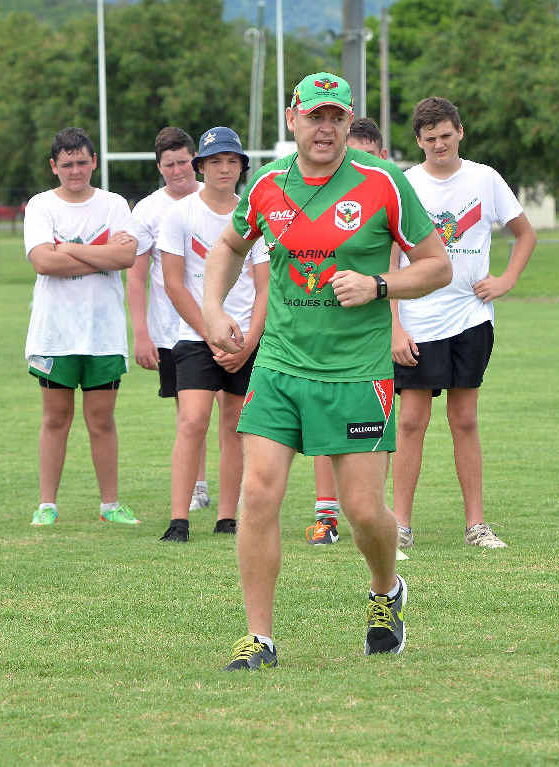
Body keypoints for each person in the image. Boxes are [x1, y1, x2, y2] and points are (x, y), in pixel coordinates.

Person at [202, 73, 452, 668]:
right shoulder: (267, 184)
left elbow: (437, 266)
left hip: (356, 371)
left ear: (348, 121)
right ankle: (259, 638)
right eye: (314, 116)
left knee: (362, 510)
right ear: (292, 119)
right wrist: (212, 307)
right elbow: (229, 247)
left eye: (336, 117)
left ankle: (386, 591)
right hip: (281, 364)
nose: (325, 127)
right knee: (258, 493)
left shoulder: (383, 182)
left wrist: (378, 285)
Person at [391, 97, 536, 550]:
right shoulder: (405, 185)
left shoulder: (484, 179)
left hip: (471, 318)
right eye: (430, 138)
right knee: (411, 421)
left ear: (460, 132)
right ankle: (400, 526)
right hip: (417, 319)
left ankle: (477, 525)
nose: (440, 144)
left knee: (465, 419)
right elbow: (389, 259)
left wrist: (505, 280)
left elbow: (524, 233)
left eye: (446, 135)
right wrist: (395, 327)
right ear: (419, 141)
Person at [23, 127, 141, 526]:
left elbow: (126, 258)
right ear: (54, 166)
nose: (75, 170)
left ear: (94, 162)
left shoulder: (114, 205)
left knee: (102, 420)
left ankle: (110, 505)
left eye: (82, 162)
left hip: (102, 332)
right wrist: (101, 254)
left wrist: (70, 249)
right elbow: (43, 262)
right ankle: (47, 505)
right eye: (67, 164)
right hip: (55, 333)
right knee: (56, 418)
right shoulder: (41, 206)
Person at [158, 127, 268, 542]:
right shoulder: (180, 214)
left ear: (242, 167)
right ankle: (178, 520)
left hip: (244, 340)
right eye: (215, 161)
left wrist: (248, 342)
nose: (224, 168)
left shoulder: (253, 215)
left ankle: (227, 517)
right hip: (196, 335)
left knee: (236, 424)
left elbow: (265, 287)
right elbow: (174, 284)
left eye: (232, 161)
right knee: (192, 420)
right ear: (201, 167)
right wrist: (212, 333)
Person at [305, 117, 390, 546]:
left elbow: (409, 269)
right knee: (324, 428)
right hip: (325, 340)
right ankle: (326, 515)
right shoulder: (323, 202)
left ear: (382, 156)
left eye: (368, 157)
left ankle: (381, 517)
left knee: (375, 438)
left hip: (375, 342)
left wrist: (398, 327)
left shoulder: (390, 196)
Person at [129, 127, 219, 513]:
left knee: (232, 411)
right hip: (174, 331)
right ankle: (197, 486)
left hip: (227, 323)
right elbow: (136, 276)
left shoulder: (217, 199)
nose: (178, 170)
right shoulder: (148, 210)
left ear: (195, 162)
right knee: (189, 414)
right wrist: (141, 333)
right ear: (159, 167)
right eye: (170, 165)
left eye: (183, 162)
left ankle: (237, 491)